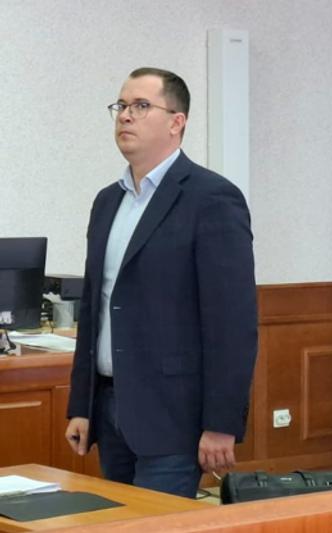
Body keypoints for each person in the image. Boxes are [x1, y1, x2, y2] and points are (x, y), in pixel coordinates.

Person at [65, 67, 258, 498]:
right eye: (121, 106)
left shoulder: (211, 198)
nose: (125, 116)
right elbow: (95, 307)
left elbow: (232, 323)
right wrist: (82, 406)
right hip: (110, 407)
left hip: (174, 415)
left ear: (176, 122)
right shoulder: (107, 201)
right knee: (117, 522)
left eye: (140, 106)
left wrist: (221, 423)